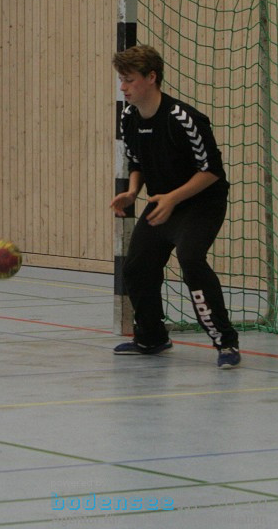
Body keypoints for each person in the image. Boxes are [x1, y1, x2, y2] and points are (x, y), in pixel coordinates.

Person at [110, 44, 241, 369]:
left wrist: (172, 198)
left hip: (201, 203)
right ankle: (152, 337)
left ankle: (226, 343)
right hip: (162, 202)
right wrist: (133, 191)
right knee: (137, 268)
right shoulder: (128, 117)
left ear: (151, 77)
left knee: (191, 260)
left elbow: (212, 171)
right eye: (121, 81)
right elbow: (137, 161)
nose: (123, 87)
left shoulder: (184, 119)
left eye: (129, 80)